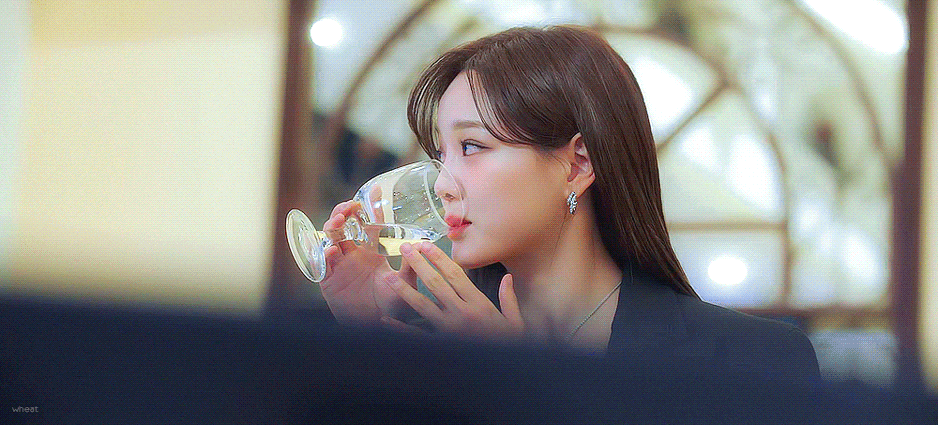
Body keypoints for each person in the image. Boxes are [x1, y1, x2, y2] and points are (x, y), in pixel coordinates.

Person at [315, 25, 820, 387]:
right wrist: (368, 340)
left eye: (471, 146)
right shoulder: (429, 350)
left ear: (577, 165)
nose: (443, 185)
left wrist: (517, 386)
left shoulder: (751, 360)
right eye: (440, 155)